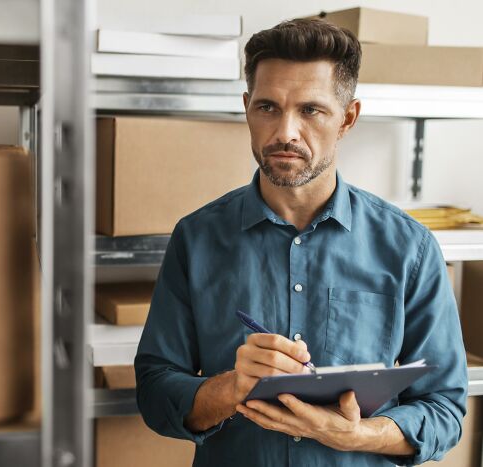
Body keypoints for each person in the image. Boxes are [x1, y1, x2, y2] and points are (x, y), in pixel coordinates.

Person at [134, 18, 468, 467]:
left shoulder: (410, 248)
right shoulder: (196, 238)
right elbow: (155, 392)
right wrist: (231, 387)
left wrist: (357, 435)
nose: (285, 132)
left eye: (310, 110)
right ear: (247, 107)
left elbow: (444, 410)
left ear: (347, 118)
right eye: (268, 107)